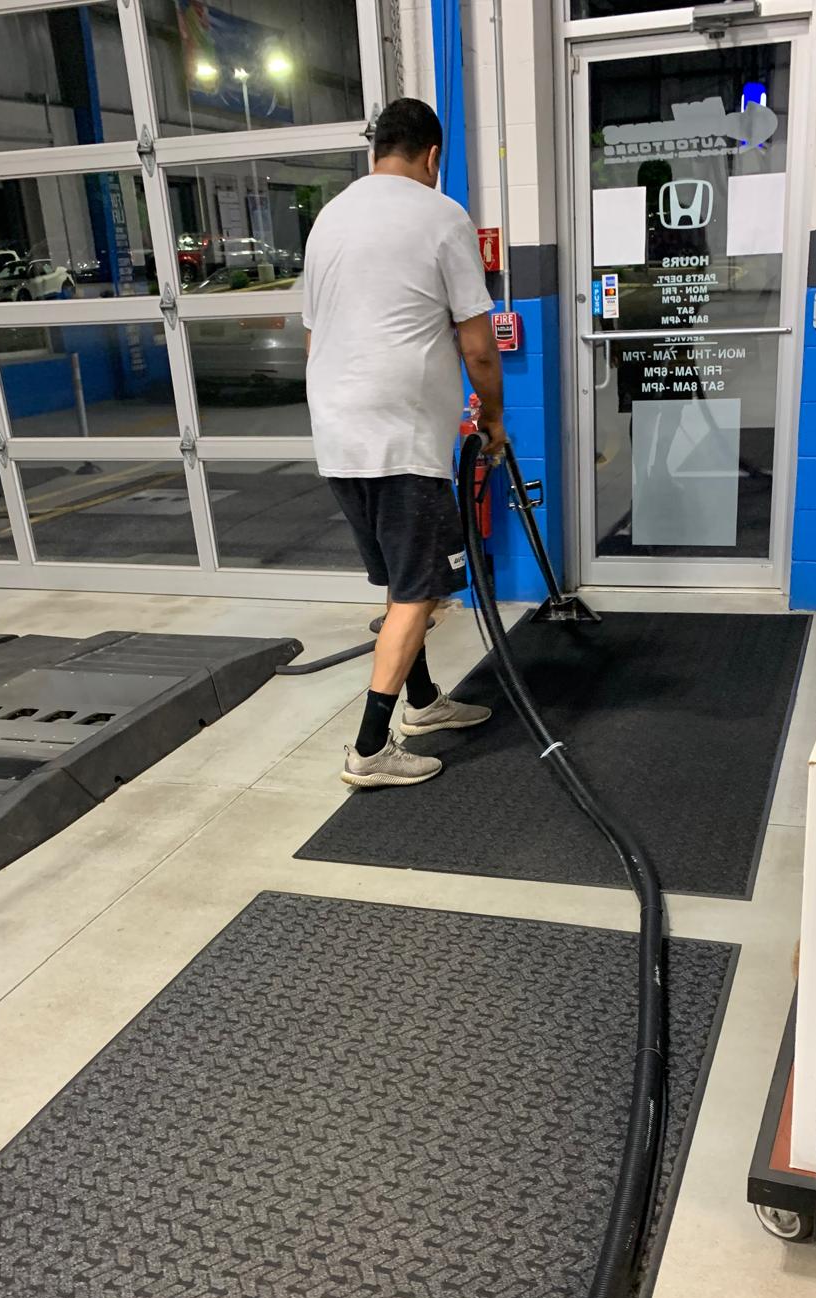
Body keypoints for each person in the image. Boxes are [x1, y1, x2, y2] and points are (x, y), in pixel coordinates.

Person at [302, 97, 507, 788]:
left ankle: (422, 704)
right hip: (401, 436)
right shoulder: (440, 214)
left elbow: (316, 332)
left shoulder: (330, 219)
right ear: (431, 156)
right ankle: (369, 749)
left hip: (338, 432)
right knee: (418, 593)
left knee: (400, 580)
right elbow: (478, 344)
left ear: (374, 151)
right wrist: (494, 420)